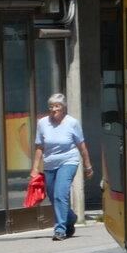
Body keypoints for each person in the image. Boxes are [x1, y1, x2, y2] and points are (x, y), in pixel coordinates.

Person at [31, 93, 92, 241]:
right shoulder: (43, 123)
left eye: (57, 106)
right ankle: (70, 217)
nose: (54, 109)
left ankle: (60, 230)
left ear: (64, 108)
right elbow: (40, 146)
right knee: (53, 196)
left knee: (60, 194)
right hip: (50, 163)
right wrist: (35, 167)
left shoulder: (72, 123)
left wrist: (87, 166)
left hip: (68, 162)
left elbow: (81, 146)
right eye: (51, 107)